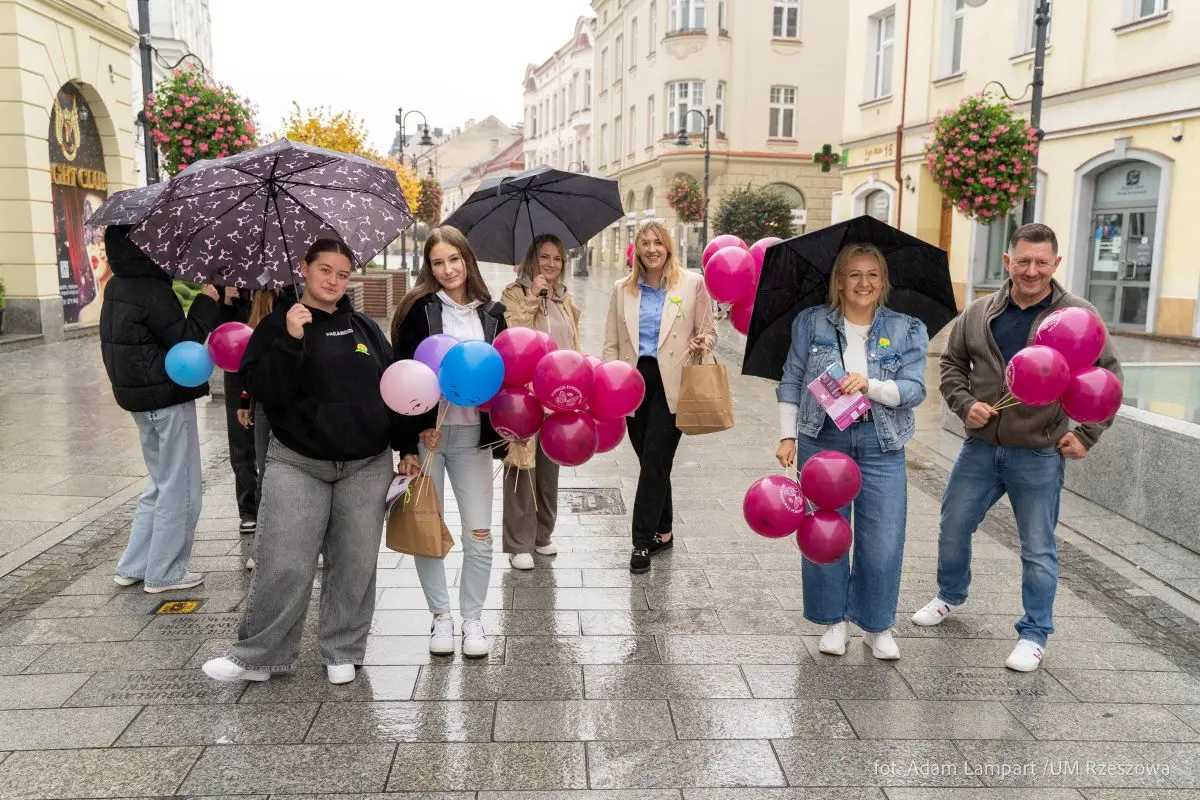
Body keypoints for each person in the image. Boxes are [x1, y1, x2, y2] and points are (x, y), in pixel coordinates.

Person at [913, 223, 1123, 672]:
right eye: (1023, 261)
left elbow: (1108, 380)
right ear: (1008, 261)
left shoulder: (1078, 317)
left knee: (1038, 547)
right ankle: (950, 596)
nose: (1032, 271)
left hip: (1040, 452)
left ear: (1056, 264)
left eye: (1041, 262)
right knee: (952, 528)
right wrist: (964, 404)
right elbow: (951, 364)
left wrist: (1086, 434)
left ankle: (1034, 633)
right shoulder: (981, 311)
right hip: (981, 449)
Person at [202, 239, 400, 685]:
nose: (333, 281)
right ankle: (258, 656)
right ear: (304, 270)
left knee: (355, 561)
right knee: (284, 560)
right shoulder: (276, 327)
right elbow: (268, 392)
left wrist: (407, 448)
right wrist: (291, 339)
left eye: (343, 274)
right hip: (299, 462)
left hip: (366, 465)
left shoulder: (366, 329)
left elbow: (396, 391)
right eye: (325, 270)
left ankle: (342, 649)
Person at [775, 243, 929, 660]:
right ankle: (832, 620)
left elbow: (915, 390)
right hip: (822, 439)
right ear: (839, 281)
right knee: (824, 533)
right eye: (854, 274)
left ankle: (876, 625)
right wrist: (787, 436)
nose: (864, 283)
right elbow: (791, 378)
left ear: (883, 282)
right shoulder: (811, 324)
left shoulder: (907, 328)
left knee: (883, 537)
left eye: (873, 275)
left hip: (881, 442)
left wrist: (870, 385)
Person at [391, 225, 508, 658]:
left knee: (479, 533)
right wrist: (409, 440)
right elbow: (401, 377)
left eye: (454, 260)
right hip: (430, 441)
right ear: (430, 266)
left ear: (467, 259)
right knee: (427, 529)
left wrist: (510, 430)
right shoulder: (417, 310)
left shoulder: (493, 313)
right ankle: (440, 617)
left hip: (476, 439)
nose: (447, 269)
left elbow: (506, 377)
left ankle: (473, 618)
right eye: (438, 263)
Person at [99, 224, 219, 593]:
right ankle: (165, 573)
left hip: (140, 402)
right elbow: (186, 342)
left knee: (159, 483)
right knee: (180, 488)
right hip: (167, 400)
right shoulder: (152, 290)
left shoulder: (117, 286)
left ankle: (133, 565)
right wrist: (207, 300)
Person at [602, 220, 716, 574]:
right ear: (636, 248)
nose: (652, 249)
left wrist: (703, 342)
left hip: (675, 380)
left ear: (668, 247)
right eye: (645, 243)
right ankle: (664, 532)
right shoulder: (623, 289)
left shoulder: (692, 283)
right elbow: (610, 341)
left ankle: (641, 541)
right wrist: (606, 385)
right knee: (651, 461)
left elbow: (708, 331)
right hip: (632, 382)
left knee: (654, 457)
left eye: (658, 242)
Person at [500, 234, 582, 570]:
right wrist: (533, 296)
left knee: (549, 470)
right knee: (521, 467)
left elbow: (573, 345)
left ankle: (542, 535)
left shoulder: (564, 298)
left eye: (557, 259)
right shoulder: (514, 293)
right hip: (525, 397)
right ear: (532, 259)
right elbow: (512, 331)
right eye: (544, 257)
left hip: (559, 398)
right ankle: (519, 541)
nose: (550, 264)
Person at [234, 288, 283, 570]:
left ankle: (265, 548)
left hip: (275, 403)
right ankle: (264, 547)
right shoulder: (264, 306)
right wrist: (245, 400)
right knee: (268, 472)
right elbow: (249, 364)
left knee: (272, 473)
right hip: (265, 403)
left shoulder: (296, 302)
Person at [216, 286, 259, 535]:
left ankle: (271, 504)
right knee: (241, 443)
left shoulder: (278, 279)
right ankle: (248, 509)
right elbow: (218, 333)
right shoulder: (227, 279)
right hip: (236, 372)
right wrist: (224, 302)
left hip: (266, 369)